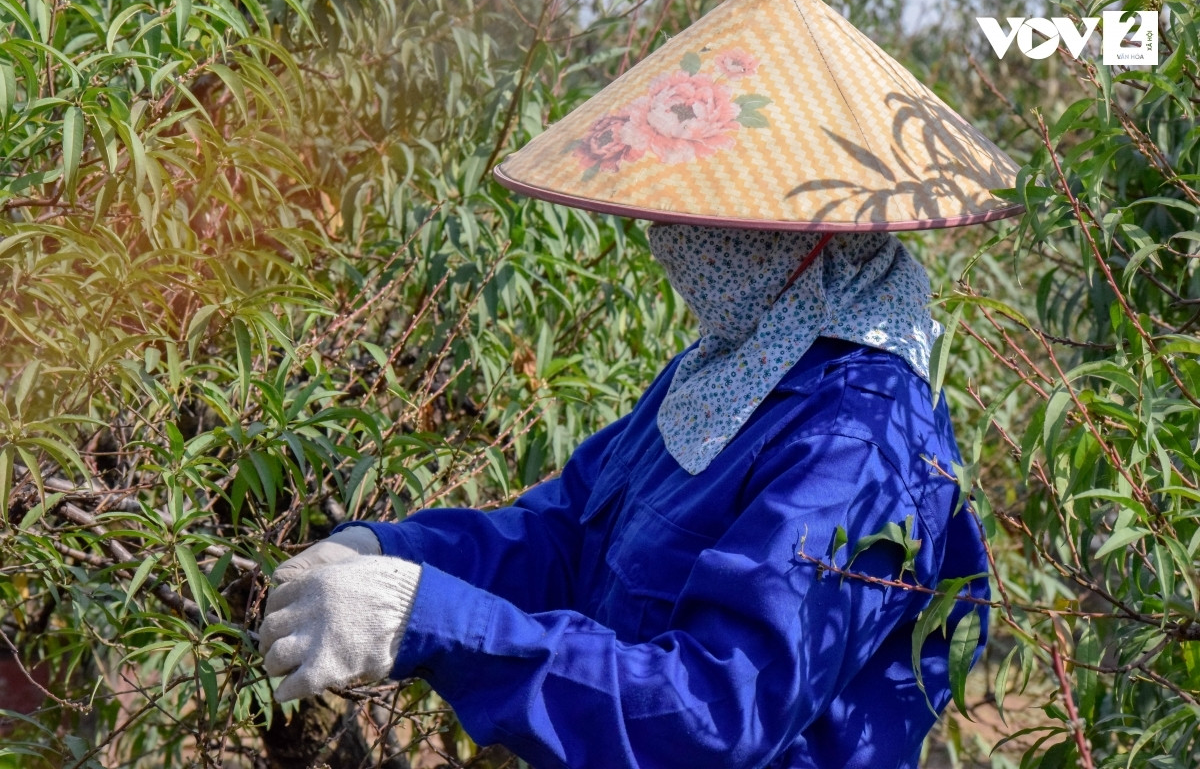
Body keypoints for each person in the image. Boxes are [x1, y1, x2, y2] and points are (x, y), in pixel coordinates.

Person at [259, 224, 991, 769]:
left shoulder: (857, 446)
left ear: (805, 229)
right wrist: (392, 551)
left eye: (707, 208)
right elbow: (570, 533)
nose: (668, 237)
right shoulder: (736, 365)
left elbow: (716, 710)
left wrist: (430, 622)